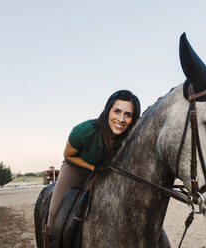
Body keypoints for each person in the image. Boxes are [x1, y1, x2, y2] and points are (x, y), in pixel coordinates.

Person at [44, 89, 141, 234]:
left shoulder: (129, 135)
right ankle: (49, 235)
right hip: (76, 166)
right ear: (108, 110)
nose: (121, 119)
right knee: (54, 212)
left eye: (128, 115)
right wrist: (92, 167)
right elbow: (68, 155)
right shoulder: (84, 131)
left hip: (103, 170)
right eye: (117, 111)